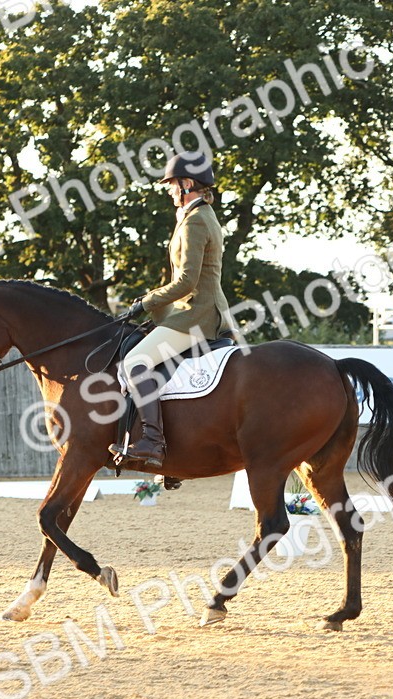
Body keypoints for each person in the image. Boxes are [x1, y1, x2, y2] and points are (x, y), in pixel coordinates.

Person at [108, 151, 230, 468]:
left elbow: (187, 280)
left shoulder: (195, 221)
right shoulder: (200, 217)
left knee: (135, 362)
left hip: (196, 315)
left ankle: (152, 441)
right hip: (193, 311)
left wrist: (146, 303)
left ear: (187, 184)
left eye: (172, 184)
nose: (169, 190)